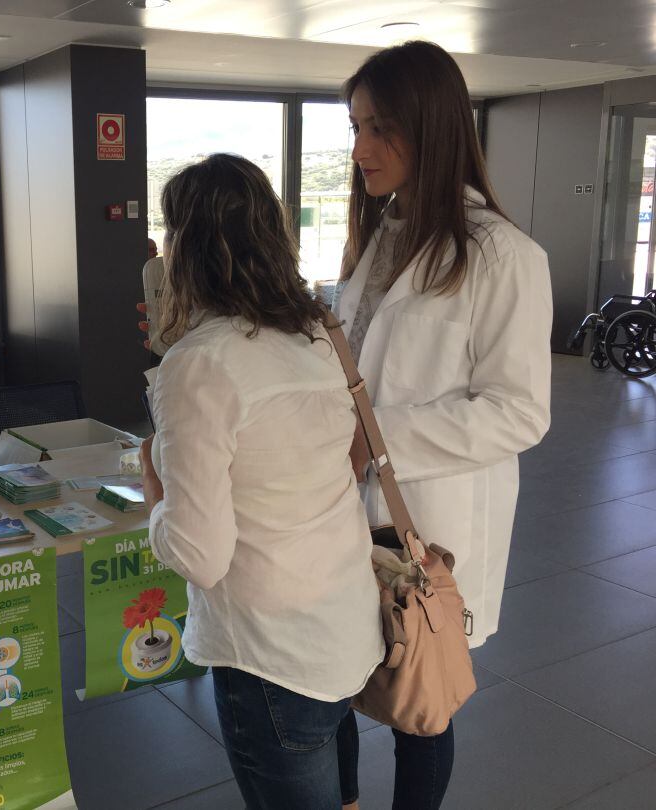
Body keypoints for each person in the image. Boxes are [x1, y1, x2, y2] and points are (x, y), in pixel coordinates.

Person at [333, 41, 553, 810]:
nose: (360, 148)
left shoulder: (502, 254)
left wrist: (379, 435)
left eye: (379, 127)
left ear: (431, 126)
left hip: (430, 518)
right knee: (336, 669)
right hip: (345, 505)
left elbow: (520, 410)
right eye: (355, 126)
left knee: (420, 699)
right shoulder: (378, 237)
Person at [138, 153, 385, 809]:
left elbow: (200, 555)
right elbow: (349, 460)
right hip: (345, 626)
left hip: (270, 655)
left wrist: (153, 478)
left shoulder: (197, 364)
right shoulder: (318, 332)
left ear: (181, 248)